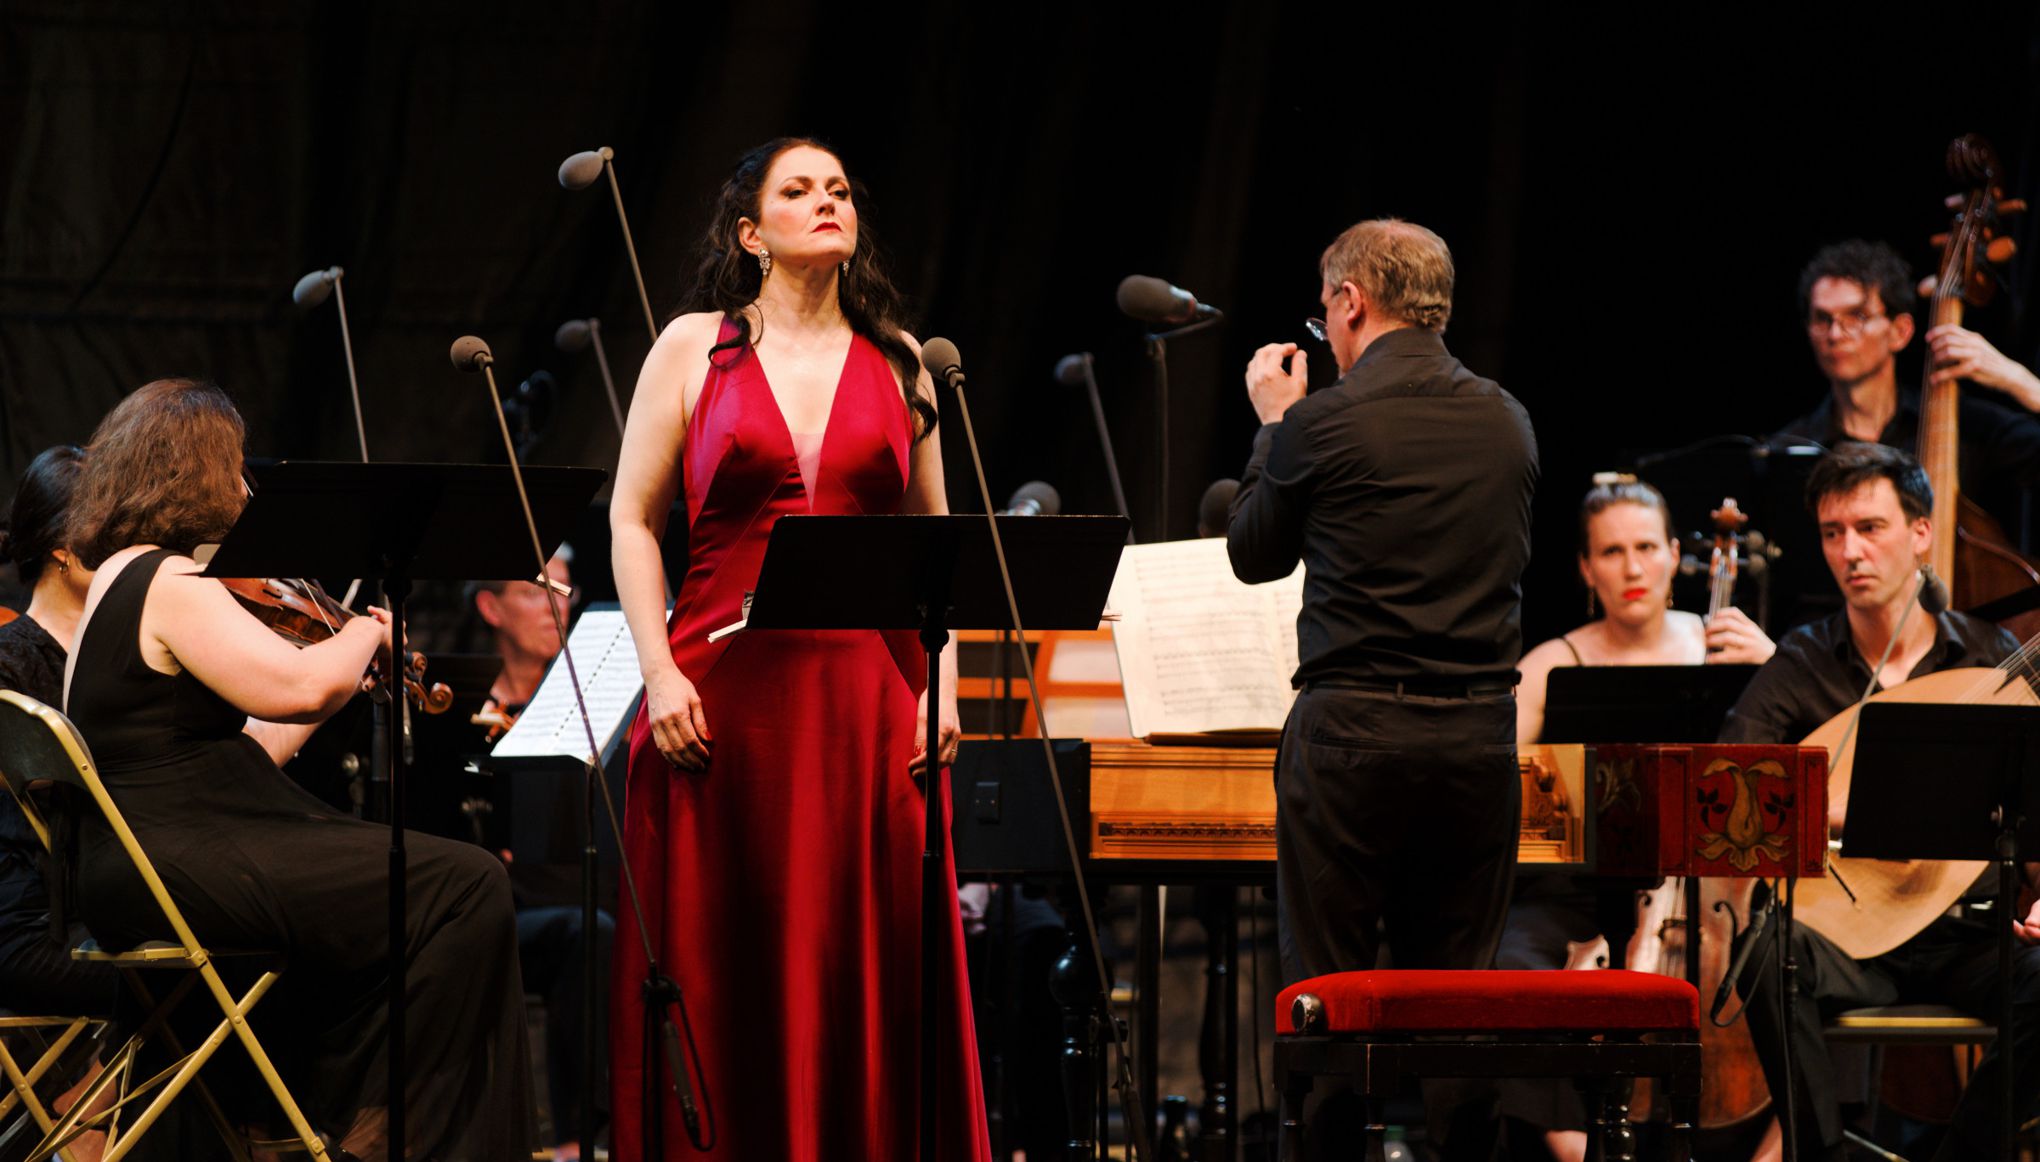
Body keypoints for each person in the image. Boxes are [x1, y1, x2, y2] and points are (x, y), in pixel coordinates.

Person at [608, 138, 987, 1161]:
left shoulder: (906, 359)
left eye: (838, 190)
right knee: (726, 961)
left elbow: (935, 545)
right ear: (750, 233)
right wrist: (657, 669)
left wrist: (943, 682)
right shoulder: (693, 347)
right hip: (716, 691)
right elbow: (633, 519)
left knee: (859, 959)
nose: (826, 202)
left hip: (867, 704)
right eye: (796, 190)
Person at [61, 378, 532, 1161]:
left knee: (401, 907)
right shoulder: (172, 580)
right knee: (466, 884)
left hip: (139, 861)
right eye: (236, 468)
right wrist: (366, 637)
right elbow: (303, 684)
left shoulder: (114, 579)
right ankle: (395, 1135)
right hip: (177, 860)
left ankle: (323, 1120)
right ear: (196, 472)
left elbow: (249, 737)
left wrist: (326, 674)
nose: (247, 488)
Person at [1226, 217, 1538, 1159]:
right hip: (1478, 739)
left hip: (1353, 735)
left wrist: (1275, 421)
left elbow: (1250, 551)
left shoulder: (1324, 420)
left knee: (1325, 993)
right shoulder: (1507, 418)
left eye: (1327, 314)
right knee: (1462, 997)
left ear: (1352, 301)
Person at [1718, 441, 2040, 1162]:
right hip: (1847, 937)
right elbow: (1729, 789)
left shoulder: (1986, 659)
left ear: (1921, 533)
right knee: (1764, 953)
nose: (1850, 552)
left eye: (1870, 528)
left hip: (1970, 934)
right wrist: (1855, 812)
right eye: (1833, 534)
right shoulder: (1800, 663)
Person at [1502, 475, 1775, 1161]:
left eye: (1646, 547)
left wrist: (1775, 666)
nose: (1631, 567)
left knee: (1801, 967)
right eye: (1612, 551)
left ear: (1675, 555)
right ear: (1586, 568)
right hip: (1579, 887)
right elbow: (1495, 784)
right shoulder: (1550, 664)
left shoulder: (1725, 645)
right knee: (1505, 968)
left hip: (1710, 888)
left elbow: (1804, 758)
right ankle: (1575, 1148)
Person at [471, 550, 613, 1161]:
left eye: (565, 588)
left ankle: (605, 1136)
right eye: (536, 589)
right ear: (490, 607)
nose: (557, 602)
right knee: (589, 933)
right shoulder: (468, 712)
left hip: (575, 900)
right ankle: (558, 1137)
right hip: (502, 908)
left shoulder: (591, 713)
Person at [1769, 240, 2040, 527]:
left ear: (1901, 331)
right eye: (1822, 319)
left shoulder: (1967, 426)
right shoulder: (1790, 451)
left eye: (1856, 316)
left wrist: (2019, 380)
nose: (1835, 334)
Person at [0, 445, 120, 1019]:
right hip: (34, 924)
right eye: (114, 531)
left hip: (106, 911)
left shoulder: (127, 651)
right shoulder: (9, 661)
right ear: (63, 549)